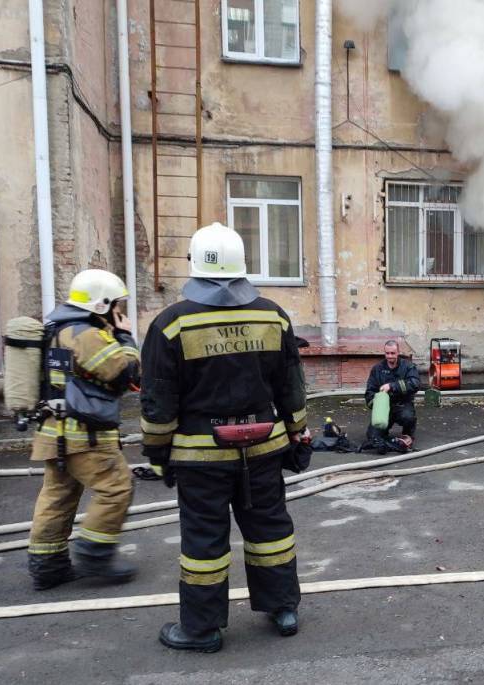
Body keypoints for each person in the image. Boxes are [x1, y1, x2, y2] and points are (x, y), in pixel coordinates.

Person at [141, 222, 308, 653]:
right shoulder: (272, 315)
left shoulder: (170, 325)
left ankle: (201, 629)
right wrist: (296, 435)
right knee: (270, 530)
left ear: (194, 265)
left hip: (201, 460)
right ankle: (283, 609)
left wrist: (158, 453)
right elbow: (291, 386)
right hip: (264, 449)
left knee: (204, 542)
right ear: (242, 265)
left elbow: (159, 401)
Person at [27, 269, 140, 590]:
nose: (120, 311)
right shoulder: (84, 333)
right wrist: (125, 338)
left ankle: (48, 566)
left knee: (58, 496)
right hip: (84, 433)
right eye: (117, 304)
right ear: (102, 304)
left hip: (57, 431)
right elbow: (123, 373)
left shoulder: (60, 328)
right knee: (116, 487)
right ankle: (95, 554)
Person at [364, 340, 420, 452]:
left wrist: (392, 386)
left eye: (393, 353)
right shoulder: (377, 369)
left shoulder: (408, 367)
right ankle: (394, 440)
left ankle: (408, 436)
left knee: (408, 417)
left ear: (398, 352)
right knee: (372, 436)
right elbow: (369, 392)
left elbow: (415, 384)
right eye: (387, 353)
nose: (390, 356)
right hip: (384, 409)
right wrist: (377, 402)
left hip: (402, 405)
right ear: (384, 353)